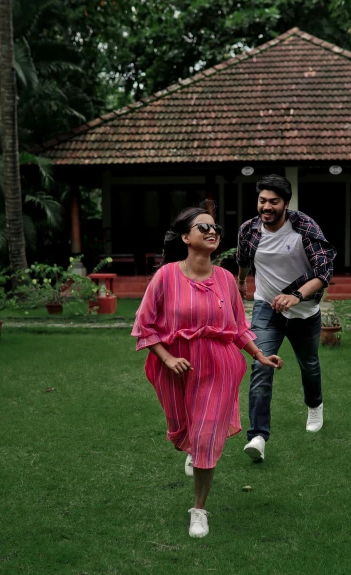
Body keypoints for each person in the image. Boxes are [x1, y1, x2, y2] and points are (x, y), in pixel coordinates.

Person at [132, 205, 283, 539]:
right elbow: (145, 326)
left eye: (215, 227)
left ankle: (199, 509)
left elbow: (238, 327)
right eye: (203, 227)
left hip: (219, 365)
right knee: (182, 428)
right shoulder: (166, 276)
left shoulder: (227, 279)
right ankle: (192, 448)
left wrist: (260, 354)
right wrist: (168, 359)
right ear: (186, 237)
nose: (212, 231)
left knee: (205, 435)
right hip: (176, 368)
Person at [237, 175, 336, 461]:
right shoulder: (249, 230)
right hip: (266, 307)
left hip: (304, 311)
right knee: (261, 365)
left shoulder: (304, 227)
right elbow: (244, 259)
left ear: (286, 203)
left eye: (273, 202)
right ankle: (258, 436)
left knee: (310, 365)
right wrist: (241, 281)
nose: (266, 207)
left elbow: (323, 271)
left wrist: (297, 296)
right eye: (262, 201)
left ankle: (315, 405)